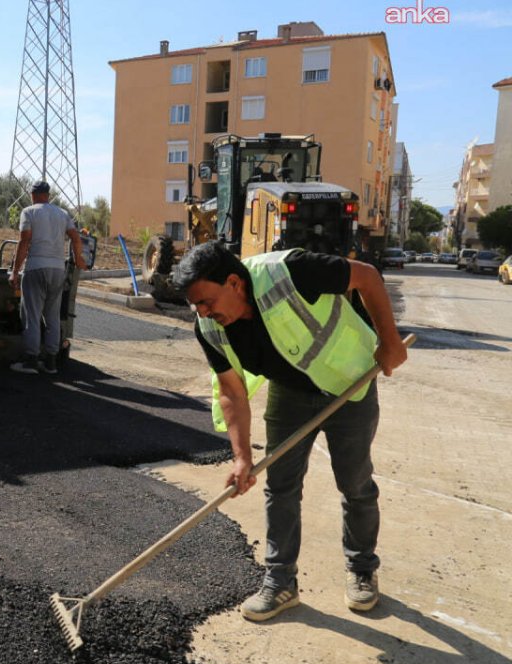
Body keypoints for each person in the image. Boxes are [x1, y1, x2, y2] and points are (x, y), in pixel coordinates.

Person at [173, 242, 407, 622]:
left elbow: (366, 276)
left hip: (351, 383)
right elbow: (232, 391)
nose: (203, 313)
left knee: (355, 483)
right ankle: (280, 582)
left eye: (206, 301)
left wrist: (390, 341)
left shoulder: (292, 271)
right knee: (280, 486)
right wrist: (241, 457)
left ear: (233, 283)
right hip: (291, 394)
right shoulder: (209, 327)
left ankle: (362, 568)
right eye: (195, 305)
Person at [8, 181, 88, 374]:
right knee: (52, 316)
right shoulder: (62, 213)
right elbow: (76, 237)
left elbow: (24, 240)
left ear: (32, 194)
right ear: (48, 195)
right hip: (57, 269)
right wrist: (78, 259)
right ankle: (51, 362)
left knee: (32, 315)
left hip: (36, 268)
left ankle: (31, 361)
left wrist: (15, 271)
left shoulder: (29, 212)